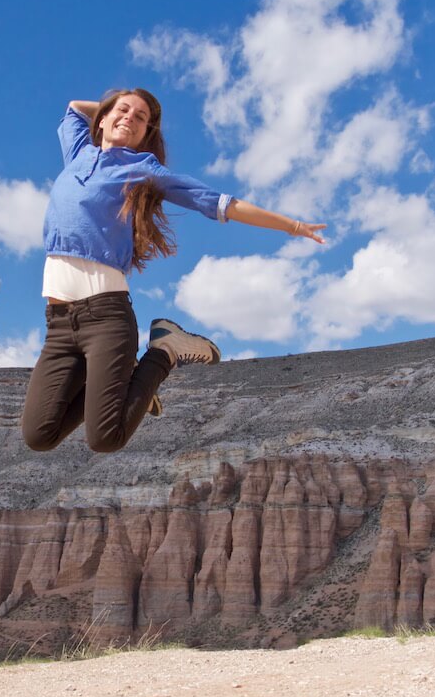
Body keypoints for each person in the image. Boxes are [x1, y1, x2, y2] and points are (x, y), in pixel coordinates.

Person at [21, 89, 325, 454]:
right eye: (123, 111)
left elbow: (220, 203)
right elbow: (72, 107)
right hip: (58, 323)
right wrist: (110, 110)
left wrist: (291, 226)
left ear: (146, 134)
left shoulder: (143, 169)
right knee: (39, 435)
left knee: (105, 439)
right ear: (100, 119)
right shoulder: (77, 153)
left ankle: (164, 350)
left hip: (105, 317)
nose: (129, 119)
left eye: (140, 119)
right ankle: (124, 381)